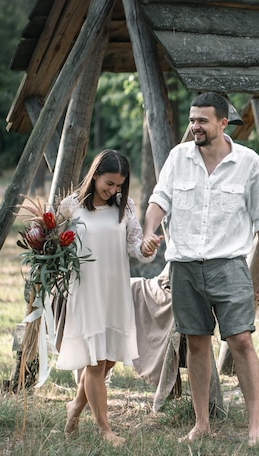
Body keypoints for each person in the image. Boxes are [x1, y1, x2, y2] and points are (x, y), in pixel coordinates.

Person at [140, 92, 259, 446]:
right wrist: (149, 230)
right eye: (191, 120)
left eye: (202, 120)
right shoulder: (178, 157)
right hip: (184, 266)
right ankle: (201, 424)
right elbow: (159, 200)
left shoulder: (248, 163)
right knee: (197, 343)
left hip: (230, 265)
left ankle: (255, 426)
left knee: (241, 341)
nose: (194, 126)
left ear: (222, 122)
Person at [56, 149, 157, 446]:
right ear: (95, 174)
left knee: (109, 356)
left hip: (115, 291)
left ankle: (75, 407)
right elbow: (55, 245)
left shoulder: (124, 208)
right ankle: (105, 430)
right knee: (96, 363)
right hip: (86, 291)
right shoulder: (71, 207)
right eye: (109, 183)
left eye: (119, 185)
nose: (113, 190)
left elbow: (135, 247)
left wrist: (146, 248)